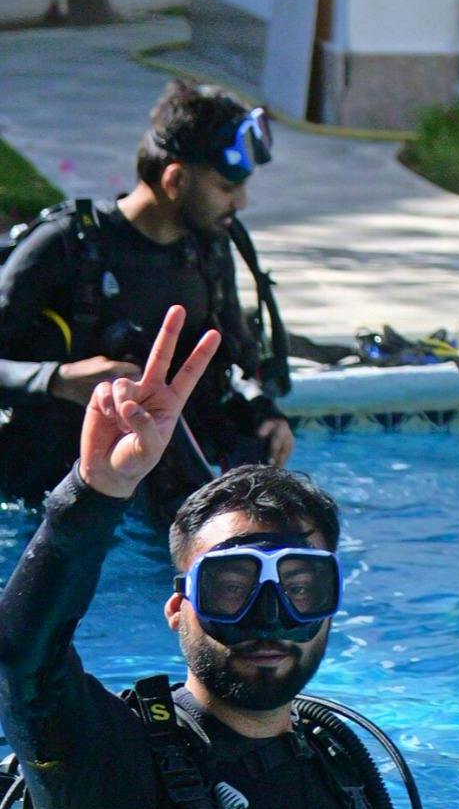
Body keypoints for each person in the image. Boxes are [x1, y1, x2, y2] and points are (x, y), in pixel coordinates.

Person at [0, 307, 435, 809]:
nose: (272, 616)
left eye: (302, 586)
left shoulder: (346, 774)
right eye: (232, 586)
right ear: (177, 609)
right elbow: (20, 663)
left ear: (332, 610)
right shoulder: (112, 763)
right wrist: (96, 492)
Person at [0, 80, 293, 523]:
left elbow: (234, 361)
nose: (242, 202)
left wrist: (264, 416)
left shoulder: (209, 249)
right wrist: (57, 380)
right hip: (47, 504)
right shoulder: (65, 248)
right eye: (227, 186)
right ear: (175, 179)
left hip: (161, 494)